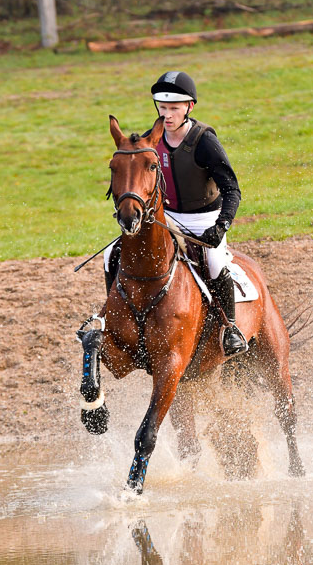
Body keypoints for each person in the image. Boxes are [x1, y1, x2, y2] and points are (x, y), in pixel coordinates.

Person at [104, 70, 248, 356]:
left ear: (189, 107)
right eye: (162, 108)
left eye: (174, 109)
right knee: (112, 254)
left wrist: (221, 226)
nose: (167, 115)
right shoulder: (150, 141)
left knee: (215, 262)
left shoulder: (204, 141)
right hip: (165, 218)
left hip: (205, 218)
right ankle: (114, 315)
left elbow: (232, 189)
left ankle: (230, 327)